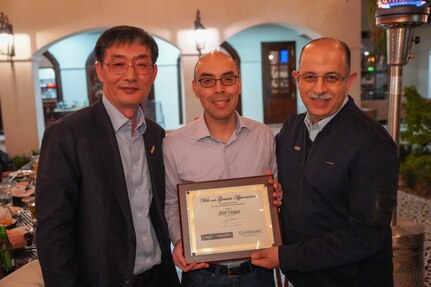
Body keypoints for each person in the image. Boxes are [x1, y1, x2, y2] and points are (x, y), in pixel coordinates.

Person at [36, 26, 180, 287]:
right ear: (100, 71)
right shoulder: (67, 135)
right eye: (118, 64)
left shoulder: (155, 135)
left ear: (154, 73)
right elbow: (53, 233)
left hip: (159, 277)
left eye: (141, 65)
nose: (130, 75)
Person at [251, 37, 399, 286]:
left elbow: (366, 234)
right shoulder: (291, 129)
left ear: (349, 81)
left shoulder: (374, 143)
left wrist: (286, 256)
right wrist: (273, 191)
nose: (319, 88)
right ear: (296, 78)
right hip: (303, 278)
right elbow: (289, 186)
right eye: (310, 77)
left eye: (331, 77)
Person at [164, 50, 281, 287]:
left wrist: (277, 195)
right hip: (203, 275)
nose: (219, 89)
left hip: (258, 272)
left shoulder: (264, 136)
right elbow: (171, 203)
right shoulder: (174, 144)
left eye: (228, 79)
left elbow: (274, 197)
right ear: (196, 88)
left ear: (238, 83)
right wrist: (179, 240)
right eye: (208, 81)